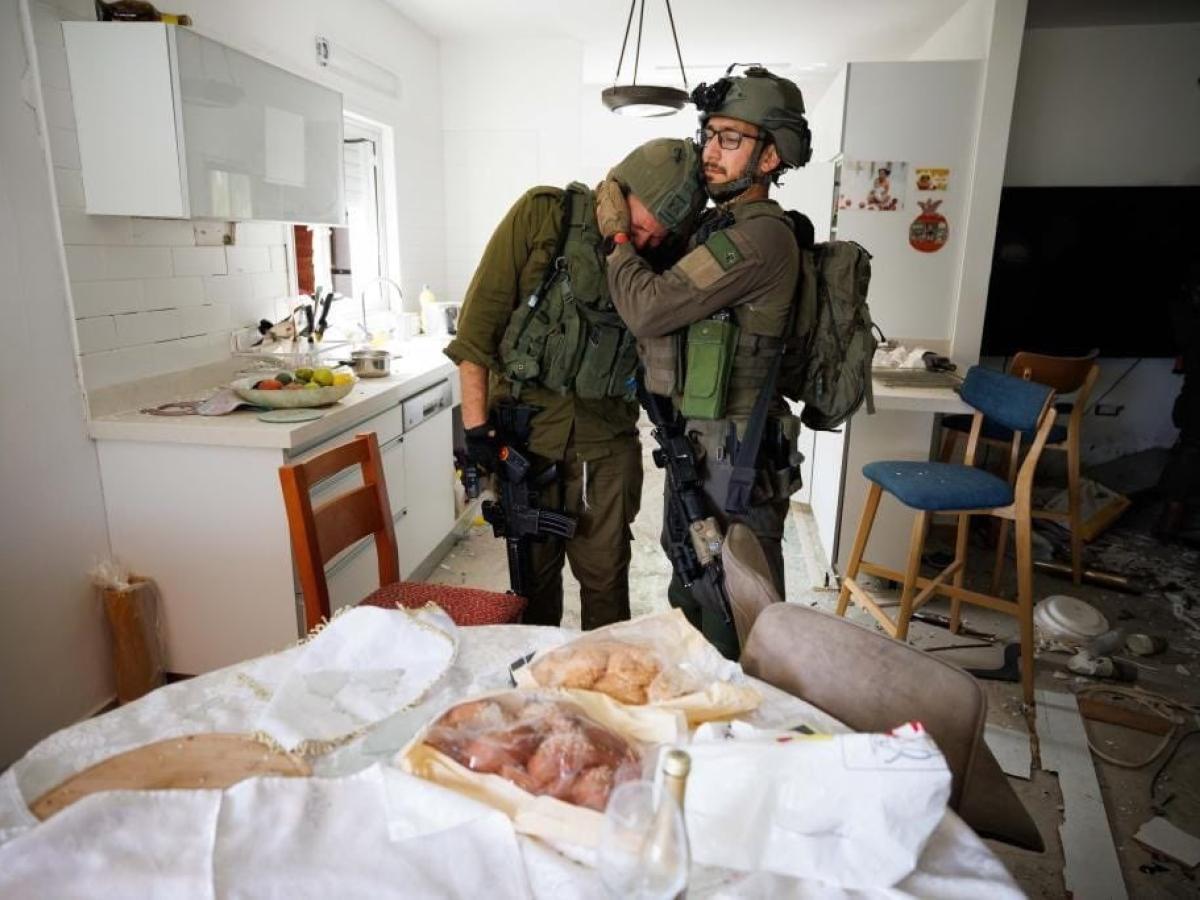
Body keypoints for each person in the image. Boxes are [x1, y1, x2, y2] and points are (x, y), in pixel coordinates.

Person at [444, 138, 707, 629]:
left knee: (607, 585)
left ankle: (602, 698)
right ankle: (538, 698)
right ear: (617, 193)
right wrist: (478, 434)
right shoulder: (544, 216)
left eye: (660, 236)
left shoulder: (662, 256)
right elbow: (476, 333)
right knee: (533, 589)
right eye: (643, 227)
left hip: (605, 447)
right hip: (526, 443)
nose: (647, 244)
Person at [596, 65, 813, 658]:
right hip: (703, 445)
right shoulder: (722, 224)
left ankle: (753, 732)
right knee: (694, 591)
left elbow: (648, 308)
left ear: (770, 158)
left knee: (741, 611)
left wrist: (618, 239)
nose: (711, 153)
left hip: (733, 459)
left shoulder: (758, 237)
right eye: (710, 135)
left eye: (732, 139)